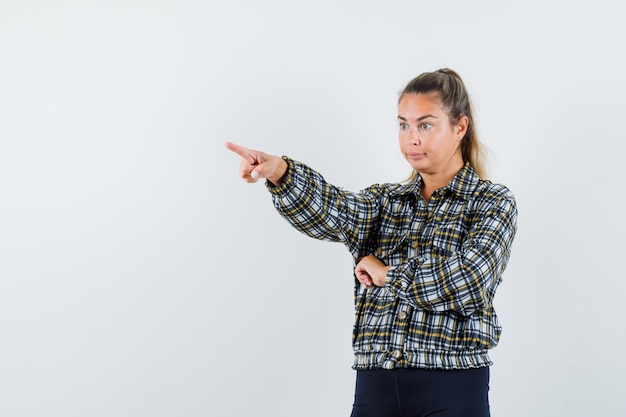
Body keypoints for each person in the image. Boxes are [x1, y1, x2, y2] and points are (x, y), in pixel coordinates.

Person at [225, 68, 517, 417]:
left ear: (460, 127)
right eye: (403, 125)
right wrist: (280, 172)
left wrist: (386, 275)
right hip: (376, 387)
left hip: (453, 387)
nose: (412, 138)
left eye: (425, 125)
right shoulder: (384, 202)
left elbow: (468, 280)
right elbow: (333, 210)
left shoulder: (491, 202)